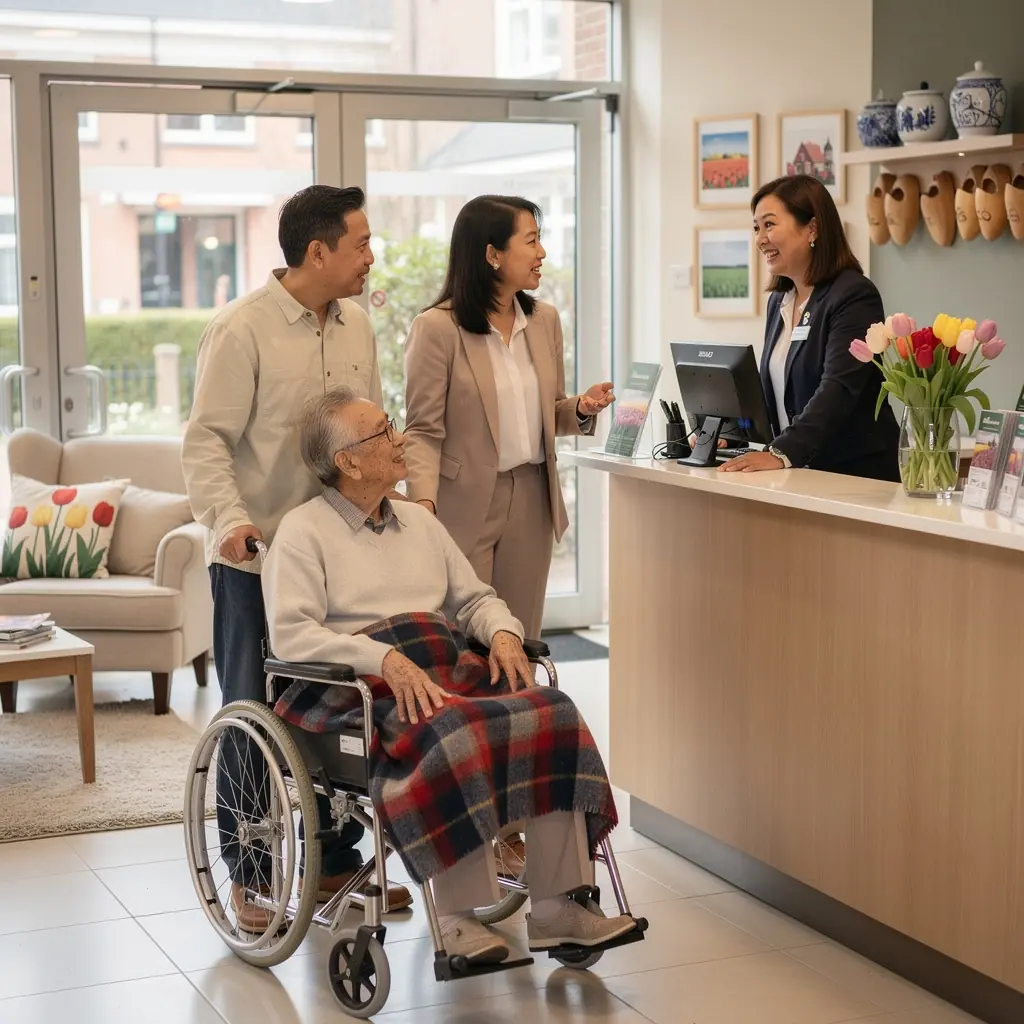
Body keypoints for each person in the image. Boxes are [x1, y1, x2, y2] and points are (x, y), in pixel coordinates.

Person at [262, 388, 637, 963]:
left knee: (551, 710)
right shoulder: (302, 532)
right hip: (358, 688)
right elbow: (292, 636)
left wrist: (504, 631)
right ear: (348, 462)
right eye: (383, 432)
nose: (399, 439)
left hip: (440, 668)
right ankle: (459, 919)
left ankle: (560, 906)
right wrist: (380, 658)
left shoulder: (418, 520)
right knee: (451, 733)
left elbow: (474, 599)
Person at [182, 184, 411, 931]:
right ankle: (249, 874)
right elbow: (206, 440)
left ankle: (336, 862)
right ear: (319, 251)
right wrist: (229, 520)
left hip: (337, 557)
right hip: (255, 558)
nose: (372, 257)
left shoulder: (358, 328)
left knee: (333, 707)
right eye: (363, 243)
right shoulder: (241, 330)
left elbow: (370, 431)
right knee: (253, 710)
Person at [403, 195, 614, 642]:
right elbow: (422, 431)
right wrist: (424, 508)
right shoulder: (437, 328)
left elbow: (547, 411)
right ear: (493, 254)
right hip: (463, 503)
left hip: (532, 496)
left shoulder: (544, 321)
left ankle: (518, 715)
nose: (542, 254)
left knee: (521, 635)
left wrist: (579, 409)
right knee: (465, 639)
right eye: (532, 241)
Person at [720, 174, 899, 479]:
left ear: (812, 229)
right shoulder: (780, 301)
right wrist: (726, 432)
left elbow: (838, 389)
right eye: (756, 228)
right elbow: (777, 393)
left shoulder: (854, 296)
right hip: (801, 476)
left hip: (855, 476)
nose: (760, 239)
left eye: (770, 225)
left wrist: (782, 452)